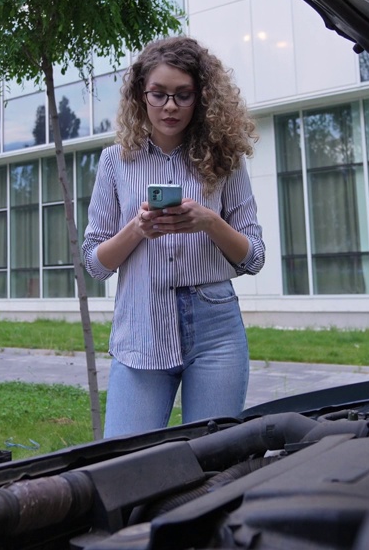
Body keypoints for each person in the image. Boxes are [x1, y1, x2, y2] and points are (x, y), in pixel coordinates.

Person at [82, 36, 265, 438]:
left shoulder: (224, 159)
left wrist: (210, 222)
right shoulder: (116, 160)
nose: (170, 106)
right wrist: (136, 229)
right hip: (142, 325)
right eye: (159, 94)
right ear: (140, 94)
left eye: (183, 95)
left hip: (215, 327)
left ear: (201, 98)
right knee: (126, 464)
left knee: (212, 460)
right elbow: (94, 262)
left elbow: (254, 258)